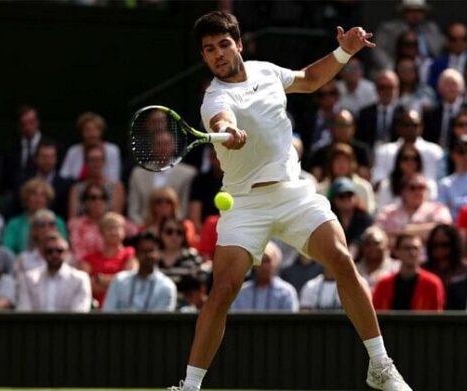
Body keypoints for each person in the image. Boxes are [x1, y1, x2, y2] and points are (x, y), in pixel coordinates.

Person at [173, 12, 412, 390]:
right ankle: (189, 387)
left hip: (294, 193)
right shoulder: (213, 99)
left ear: (238, 42)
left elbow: (310, 79)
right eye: (208, 50)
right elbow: (220, 120)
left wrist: (343, 51)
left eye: (222, 44)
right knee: (221, 292)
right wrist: (228, 130)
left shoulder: (265, 71)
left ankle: (381, 366)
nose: (217, 54)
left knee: (342, 260)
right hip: (245, 204)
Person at [371, 107, 443, 192]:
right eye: (406, 125)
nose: (410, 129)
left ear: (422, 127)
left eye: (414, 125)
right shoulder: (384, 151)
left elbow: (439, 184)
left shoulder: (434, 151)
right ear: (398, 128)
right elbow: (378, 182)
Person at [103, 232, 178, 312]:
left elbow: (164, 320)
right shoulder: (120, 281)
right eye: (143, 251)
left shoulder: (166, 286)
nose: (147, 255)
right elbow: (108, 313)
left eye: (151, 251)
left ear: (159, 254)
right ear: (136, 254)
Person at [16, 233, 92, 312]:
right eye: (50, 251)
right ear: (43, 254)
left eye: (59, 251)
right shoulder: (28, 279)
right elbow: (24, 312)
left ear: (66, 253)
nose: (54, 254)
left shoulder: (80, 279)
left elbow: (79, 313)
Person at [372, 233, 445, 311]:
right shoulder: (383, 285)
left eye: (415, 248)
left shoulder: (432, 284)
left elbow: (436, 316)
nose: (412, 253)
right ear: (396, 251)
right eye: (407, 248)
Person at [79, 212, 137, 307]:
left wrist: (100, 280)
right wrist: (116, 282)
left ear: (124, 231)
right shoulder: (89, 259)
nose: (114, 232)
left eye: (117, 227)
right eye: (109, 228)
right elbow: (83, 286)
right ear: (101, 232)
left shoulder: (130, 253)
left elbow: (130, 283)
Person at [1, 105, 60, 195]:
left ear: (37, 122)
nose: (27, 128)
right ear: (18, 126)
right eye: (23, 124)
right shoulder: (11, 149)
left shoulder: (53, 146)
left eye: (31, 122)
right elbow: (5, 181)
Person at [68, 183, 136, 261]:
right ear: (85, 202)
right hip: (86, 266)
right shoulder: (77, 224)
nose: (98, 201)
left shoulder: (115, 220)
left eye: (102, 197)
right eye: (93, 198)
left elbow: (136, 231)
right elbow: (77, 251)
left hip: (115, 263)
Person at [1, 178, 68, 256]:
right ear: (26, 198)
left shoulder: (57, 222)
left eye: (42, 195)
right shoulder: (14, 223)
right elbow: (6, 249)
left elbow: (64, 247)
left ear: (47, 199)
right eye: (34, 194)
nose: (38, 198)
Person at [375, 173, 451, 240]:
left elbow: (444, 230)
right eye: (412, 188)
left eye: (421, 187)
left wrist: (403, 231)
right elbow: (378, 233)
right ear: (403, 191)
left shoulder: (437, 209)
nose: (417, 192)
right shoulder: (388, 212)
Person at [372, 0, 444, 71]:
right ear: (403, 12)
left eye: (419, 11)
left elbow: (440, 50)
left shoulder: (432, 28)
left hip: (428, 71)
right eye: (411, 11)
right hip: (395, 69)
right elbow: (378, 52)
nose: (415, 15)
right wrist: (392, 68)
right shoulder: (389, 29)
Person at [127, 153, 197, 225]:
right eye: (158, 202)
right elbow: (133, 210)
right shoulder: (138, 173)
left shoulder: (188, 173)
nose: (163, 206)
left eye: (168, 203)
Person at [231, 241, 299, 312]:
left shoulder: (285, 292)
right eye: (259, 261)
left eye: (267, 261)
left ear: (275, 263)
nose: (263, 266)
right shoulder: (241, 293)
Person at [307, 109, 373, 182]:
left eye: (346, 125)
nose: (343, 129)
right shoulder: (320, 152)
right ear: (332, 128)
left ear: (353, 128)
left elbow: (367, 176)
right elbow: (315, 177)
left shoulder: (362, 151)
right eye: (339, 125)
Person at [67, 144, 126, 219]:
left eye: (98, 160)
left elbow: (117, 218)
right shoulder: (76, 189)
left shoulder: (116, 187)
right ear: (86, 163)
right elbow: (72, 219)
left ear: (104, 162)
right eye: (92, 160)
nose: (96, 164)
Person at [59, 111, 122, 182]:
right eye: (88, 130)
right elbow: (63, 176)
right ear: (81, 132)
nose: (92, 133)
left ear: (101, 131)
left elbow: (115, 179)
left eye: (96, 129)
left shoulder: (112, 150)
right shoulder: (73, 150)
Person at [375, 141, 437, 211]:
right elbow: (382, 210)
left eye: (414, 159)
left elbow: (432, 209)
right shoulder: (387, 185)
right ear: (398, 161)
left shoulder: (428, 185)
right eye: (405, 158)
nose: (410, 162)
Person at [317, 143, 376, 215]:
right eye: (338, 161)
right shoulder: (320, 190)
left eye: (345, 161)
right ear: (331, 164)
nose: (341, 164)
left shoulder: (364, 187)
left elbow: (370, 214)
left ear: (352, 164)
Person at [437, 135, 467, 219]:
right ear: (453, 155)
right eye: (461, 152)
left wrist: (454, 202)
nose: (466, 156)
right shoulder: (445, 183)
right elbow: (441, 209)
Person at [356, 70, 401, 150]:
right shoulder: (365, 114)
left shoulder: (403, 114)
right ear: (376, 89)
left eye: (390, 87)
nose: (386, 91)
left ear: (397, 89)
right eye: (382, 87)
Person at [329, 177, 373, 255]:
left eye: (349, 195)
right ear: (334, 200)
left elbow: (359, 240)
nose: (346, 199)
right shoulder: (329, 219)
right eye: (341, 196)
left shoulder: (364, 218)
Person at [422, 69, 465, 147]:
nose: (451, 88)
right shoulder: (431, 114)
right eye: (447, 84)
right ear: (439, 88)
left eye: (454, 84)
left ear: (461, 88)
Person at [427, 22, 467, 91]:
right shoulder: (437, 64)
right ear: (447, 41)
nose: (459, 43)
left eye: (464, 39)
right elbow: (433, 88)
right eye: (454, 39)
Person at [157, 216, 204, 285]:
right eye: (169, 232)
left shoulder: (193, 258)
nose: (174, 236)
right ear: (161, 234)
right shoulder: (153, 258)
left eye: (179, 232)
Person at [14, 209, 60, 277]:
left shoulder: (67, 258)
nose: (47, 229)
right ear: (34, 231)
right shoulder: (23, 260)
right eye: (42, 225)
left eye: (51, 224)